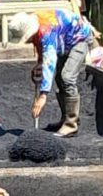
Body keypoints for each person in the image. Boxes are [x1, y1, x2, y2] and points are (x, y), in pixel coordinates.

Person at [10, 8, 93, 137]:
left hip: (80, 39)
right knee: (59, 78)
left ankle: (72, 124)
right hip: (65, 41)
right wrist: (39, 63)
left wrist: (43, 95)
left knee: (67, 77)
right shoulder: (37, 25)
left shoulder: (46, 30)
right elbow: (40, 47)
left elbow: (50, 60)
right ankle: (65, 119)